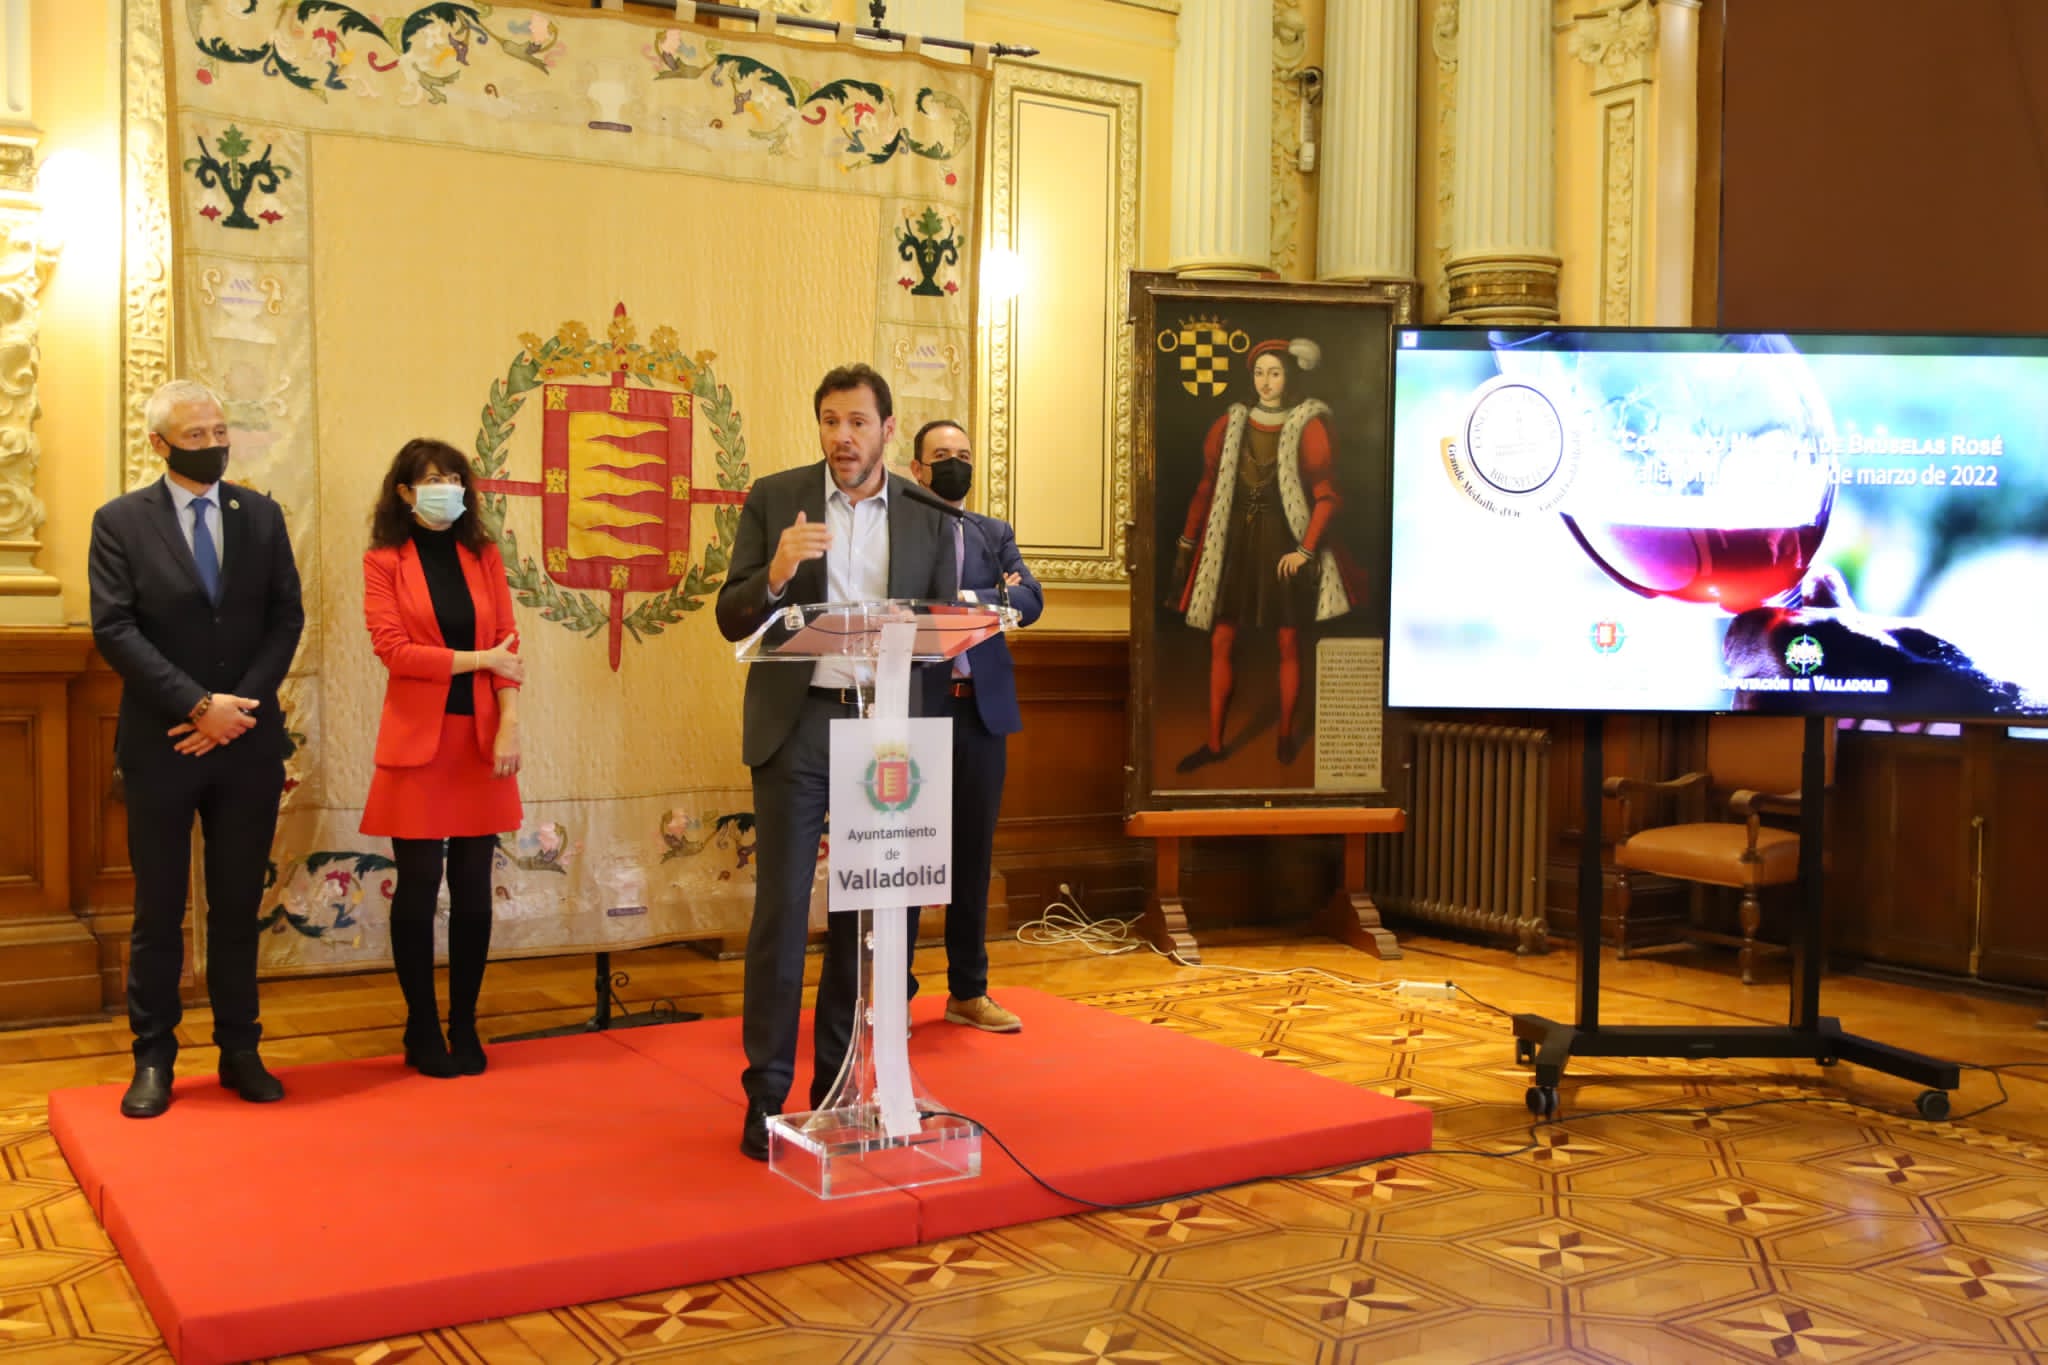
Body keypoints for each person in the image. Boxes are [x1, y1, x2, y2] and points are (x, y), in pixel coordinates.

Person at [715, 363, 958, 1161]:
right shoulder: (775, 497)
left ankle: (837, 1089)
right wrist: (776, 572)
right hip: (800, 725)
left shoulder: (927, 512)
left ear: (888, 428)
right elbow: (730, 616)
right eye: (829, 420)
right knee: (782, 912)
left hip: (885, 733)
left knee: (867, 920)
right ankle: (765, 1094)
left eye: (857, 422)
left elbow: (940, 627)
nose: (842, 437)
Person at [88, 378, 305, 1118]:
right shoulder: (120, 522)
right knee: (158, 911)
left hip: (246, 743)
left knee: (238, 906)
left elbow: (286, 617)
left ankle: (241, 1049)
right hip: (163, 745)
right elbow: (115, 627)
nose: (214, 444)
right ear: (159, 443)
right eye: (196, 435)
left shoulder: (260, 515)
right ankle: (153, 1056)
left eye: (219, 431)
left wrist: (234, 709)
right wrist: (196, 705)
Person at [361, 439, 525, 1078]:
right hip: (417, 742)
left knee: (475, 888)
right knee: (419, 884)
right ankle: (422, 1025)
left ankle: (465, 1022)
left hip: (481, 738)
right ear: (405, 492)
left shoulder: (484, 556)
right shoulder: (384, 562)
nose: (447, 487)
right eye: (432, 478)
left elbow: (509, 644)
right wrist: (480, 660)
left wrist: (509, 724)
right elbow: (395, 651)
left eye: (455, 477)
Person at [1170, 337, 1367, 771]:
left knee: (1288, 641)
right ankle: (1215, 743)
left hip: (1282, 543)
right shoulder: (1230, 425)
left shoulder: (1308, 425)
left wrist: (1305, 549)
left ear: (1288, 376)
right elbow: (1206, 486)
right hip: (1235, 544)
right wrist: (1187, 539)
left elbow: (1327, 497)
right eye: (1259, 373)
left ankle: (1284, 736)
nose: (1266, 382)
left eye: (1274, 373)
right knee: (1222, 639)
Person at [908, 419, 1042, 1033]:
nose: (954, 463)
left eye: (963, 454)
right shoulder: (902, 529)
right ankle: (894, 993)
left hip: (981, 711)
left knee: (973, 855)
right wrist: (990, 597)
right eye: (942, 455)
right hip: (919, 708)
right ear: (917, 469)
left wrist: (965, 599)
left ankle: (968, 991)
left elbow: (1031, 600)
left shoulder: (994, 531)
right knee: (910, 855)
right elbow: (917, 603)